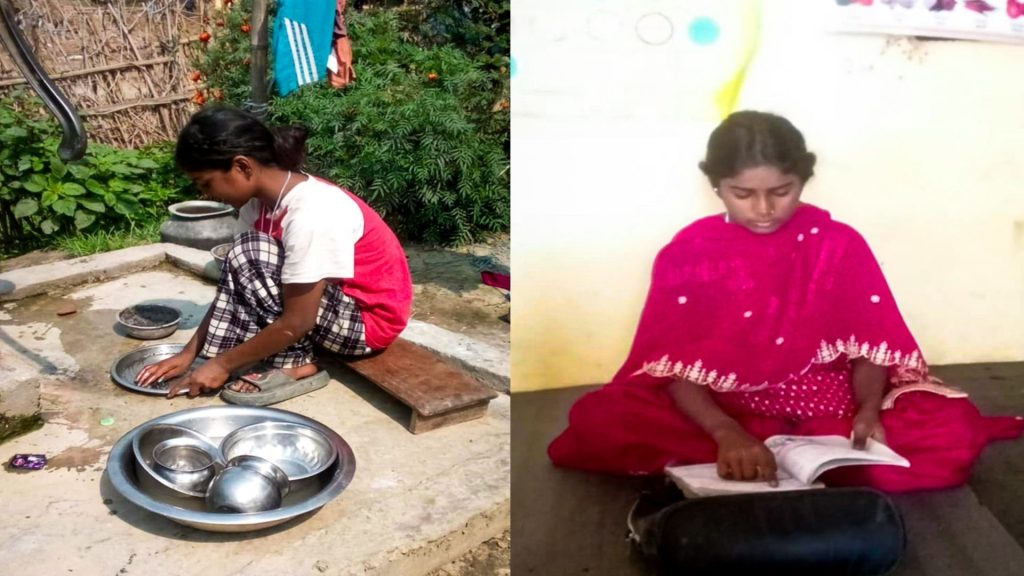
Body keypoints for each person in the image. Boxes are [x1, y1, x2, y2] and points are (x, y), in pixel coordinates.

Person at [548, 110, 1023, 492]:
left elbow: (870, 348)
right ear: (715, 185)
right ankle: (765, 458)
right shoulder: (690, 252)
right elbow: (673, 370)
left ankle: (782, 464)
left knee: (950, 432)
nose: (763, 209)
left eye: (781, 191)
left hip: (832, 411)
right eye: (742, 194)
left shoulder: (837, 243)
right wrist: (725, 432)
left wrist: (868, 411)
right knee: (602, 420)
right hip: (728, 411)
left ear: (803, 178)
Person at [136, 105, 412, 404]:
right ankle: (282, 352)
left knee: (250, 253)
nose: (207, 194)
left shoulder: (312, 212)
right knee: (241, 258)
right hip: (328, 310)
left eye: (206, 183)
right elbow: (232, 287)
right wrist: (189, 354)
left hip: (366, 326)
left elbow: (299, 321)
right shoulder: (257, 206)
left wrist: (222, 363)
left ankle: (297, 364)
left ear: (242, 167)